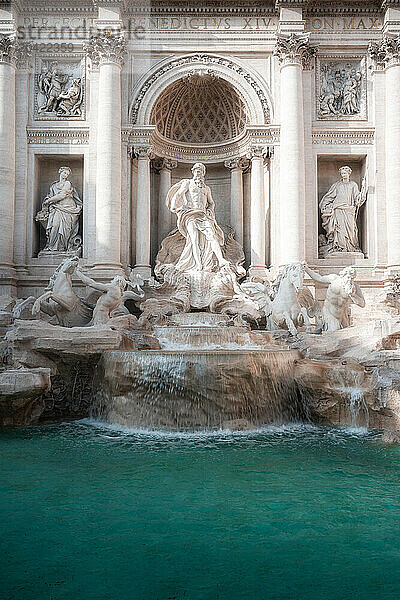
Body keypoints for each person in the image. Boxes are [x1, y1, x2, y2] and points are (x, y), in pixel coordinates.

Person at [166, 163, 229, 272]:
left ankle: (221, 259)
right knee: (193, 240)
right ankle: (198, 265)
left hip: (203, 215)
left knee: (212, 236)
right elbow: (178, 194)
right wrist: (174, 207)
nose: (198, 172)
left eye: (200, 170)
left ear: (203, 173)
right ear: (193, 172)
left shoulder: (206, 188)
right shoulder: (188, 183)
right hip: (190, 214)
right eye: (196, 170)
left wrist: (210, 211)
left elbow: (211, 203)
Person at [319, 165, 367, 254]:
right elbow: (329, 196)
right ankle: (339, 247)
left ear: (349, 173)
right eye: (342, 173)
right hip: (338, 209)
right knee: (339, 230)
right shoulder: (336, 185)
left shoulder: (353, 185)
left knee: (351, 230)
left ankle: (350, 247)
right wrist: (324, 205)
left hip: (349, 210)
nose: (343, 175)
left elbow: (357, 198)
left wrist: (362, 193)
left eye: (345, 173)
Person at [304, 264, 365, 332]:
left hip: (342, 314)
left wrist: (353, 295)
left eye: (352, 278)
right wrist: (307, 269)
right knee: (334, 331)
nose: (350, 280)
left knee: (346, 333)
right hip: (329, 311)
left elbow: (362, 304)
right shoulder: (334, 279)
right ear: (343, 275)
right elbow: (318, 278)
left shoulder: (354, 287)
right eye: (348, 277)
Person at [36, 166, 82, 253]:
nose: (65, 175)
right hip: (57, 208)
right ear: (60, 172)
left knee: (65, 229)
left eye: (67, 174)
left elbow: (61, 195)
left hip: (68, 209)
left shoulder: (67, 183)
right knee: (55, 226)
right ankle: (52, 246)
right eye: (64, 173)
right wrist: (47, 200)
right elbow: (50, 195)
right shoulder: (54, 185)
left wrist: (49, 201)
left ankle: (61, 248)